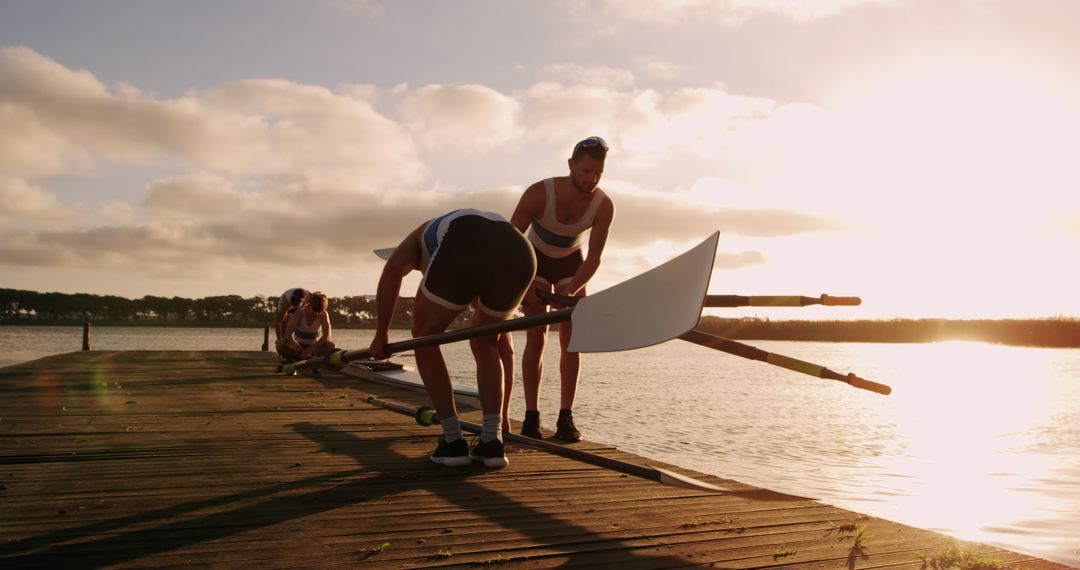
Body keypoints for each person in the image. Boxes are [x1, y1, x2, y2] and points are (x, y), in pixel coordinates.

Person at [369, 209, 536, 468]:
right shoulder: (453, 227)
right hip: (520, 251)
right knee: (486, 340)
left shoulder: (416, 239)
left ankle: (452, 441)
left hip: (466, 242)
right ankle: (492, 441)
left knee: (424, 337)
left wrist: (381, 335)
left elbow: (392, 271)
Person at [510, 136, 615, 442]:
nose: (592, 178)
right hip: (533, 261)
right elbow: (510, 241)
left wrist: (571, 293)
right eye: (586, 171)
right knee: (537, 336)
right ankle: (531, 416)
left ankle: (565, 418)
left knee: (572, 339)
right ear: (571, 165)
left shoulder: (604, 205)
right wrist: (525, 282)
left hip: (573, 265)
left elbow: (594, 257)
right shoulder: (539, 192)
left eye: (598, 173)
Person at [281, 291, 336, 365]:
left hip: (314, 347)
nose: (316, 314)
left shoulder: (324, 314)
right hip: (298, 345)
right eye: (315, 311)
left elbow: (327, 336)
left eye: (319, 312)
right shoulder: (299, 313)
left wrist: (310, 349)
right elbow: (287, 335)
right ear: (310, 305)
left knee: (331, 345)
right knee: (280, 344)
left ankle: (312, 358)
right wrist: (301, 350)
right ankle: (296, 357)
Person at [274, 287, 309, 361]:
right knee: (285, 329)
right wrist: (280, 340)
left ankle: (300, 349)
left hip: (303, 306)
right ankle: (285, 353)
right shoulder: (286, 302)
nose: (295, 307)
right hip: (287, 308)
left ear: (303, 301)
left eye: (297, 305)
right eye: (294, 305)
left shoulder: (310, 298)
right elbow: (279, 322)